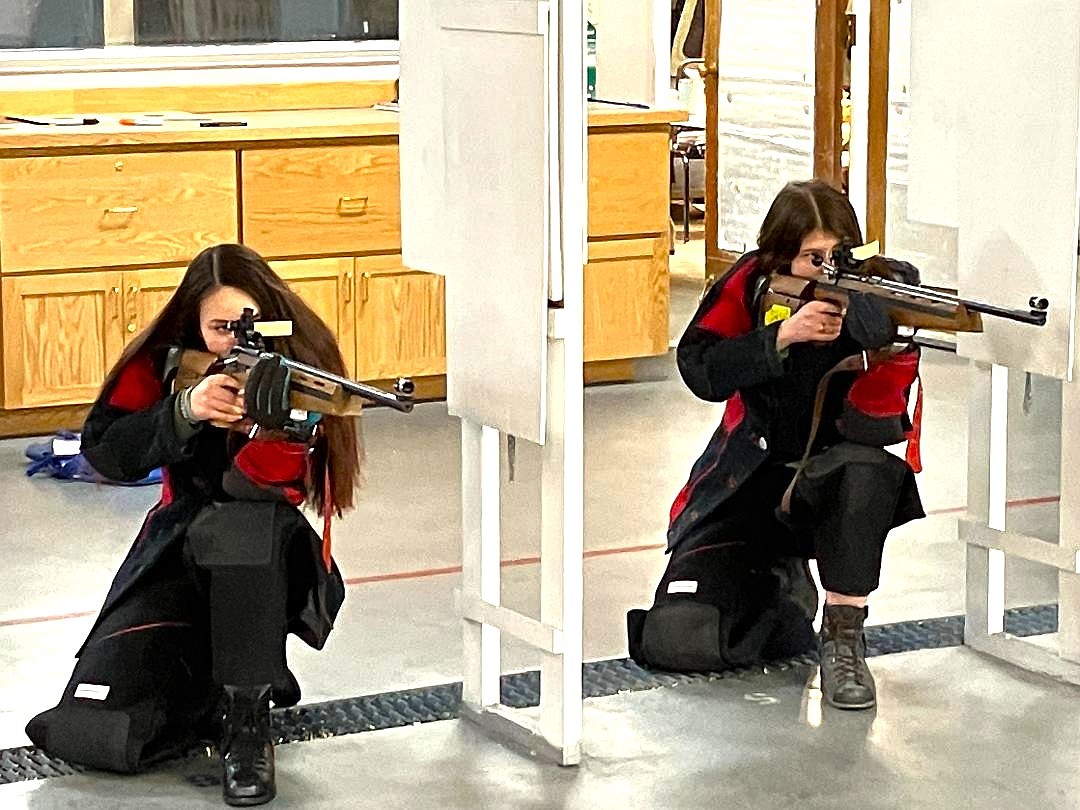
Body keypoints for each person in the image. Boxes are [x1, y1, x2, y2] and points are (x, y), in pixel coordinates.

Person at [26, 243, 361, 806]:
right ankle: (212, 690)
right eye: (221, 327)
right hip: (173, 548)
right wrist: (186, 411)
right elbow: (106, 452)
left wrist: (278, 435)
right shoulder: (165, 360)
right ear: (192, 321)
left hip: (263, 554)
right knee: (99, 728)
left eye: (248, 327)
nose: (233, 341)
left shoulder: (300, 365)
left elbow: (271, 495)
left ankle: (248, 721)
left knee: (241, 530)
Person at [627, 179, 925, 710]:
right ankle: (783, 585)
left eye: (838, 255)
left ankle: (843, 636)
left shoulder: (873, 293)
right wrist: (782, 337)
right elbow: (700, 369)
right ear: (780, 254)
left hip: (828, 486)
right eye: (814, 258)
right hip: (746, 479)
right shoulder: (750, 281)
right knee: (684, 634)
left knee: (867, 469)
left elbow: (877, 428)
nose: (829, 268)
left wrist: (886, 349)